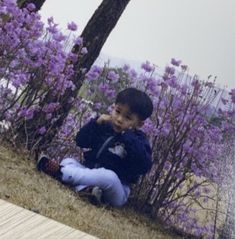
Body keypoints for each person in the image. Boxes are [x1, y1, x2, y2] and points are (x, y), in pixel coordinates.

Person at [37, 87, 153, 207]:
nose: (119, 119)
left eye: (128, 118)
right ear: (113, 107)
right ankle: (88, 191)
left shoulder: (139, 140)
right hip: (90, 171)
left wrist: (128, 137)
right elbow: (80, 141)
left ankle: (61, 172)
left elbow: (143, 166)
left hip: (117, 188)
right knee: (69, 161)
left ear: (139, 124)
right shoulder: (104, 127)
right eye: (118, 112)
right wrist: (96, 123)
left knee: (108, 176)